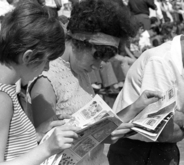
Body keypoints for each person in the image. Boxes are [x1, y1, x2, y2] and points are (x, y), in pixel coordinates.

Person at [28, 0, 162, 165]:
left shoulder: (80, 70)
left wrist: (136, 106)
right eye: (97, 57)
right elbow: (47, 149)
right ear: (80, 43)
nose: (99, 66)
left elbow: (95, 132)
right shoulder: (46, 80)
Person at [0, 1, 81, 165]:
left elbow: (7, 146)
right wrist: (47, 148)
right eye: (46, 61)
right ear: (27, 57)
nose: (47, 68)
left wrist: (37, 134)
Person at [108, 35, 184, 165]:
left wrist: (178, 118)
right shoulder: (160, 60)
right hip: (137, 151)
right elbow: (164, 132)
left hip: (158, 150)